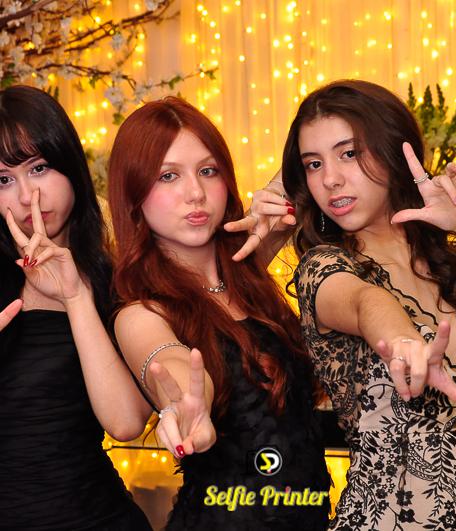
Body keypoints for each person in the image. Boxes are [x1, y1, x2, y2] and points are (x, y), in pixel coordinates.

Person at [261, 79, 456, 530]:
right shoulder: (325, 267)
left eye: (349, 153)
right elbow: (365, 303)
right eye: (313, 164)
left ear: (392, 150)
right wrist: (404, 340)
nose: (330, 178)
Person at [107, 96, 331, 530]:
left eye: (208, 171)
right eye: (168, 176)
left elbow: (309, 152)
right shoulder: (141, 312)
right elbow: (169, 364)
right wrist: (185, 406)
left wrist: (273, 200)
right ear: (134, 195)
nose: (195, 192)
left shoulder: (247, 270)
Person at [0, 86, 153, 530]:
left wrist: (76, 296)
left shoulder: (120, 277)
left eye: (39, 168)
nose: (27, 195)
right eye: (3, 179)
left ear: (69, 165)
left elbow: (126, 423)